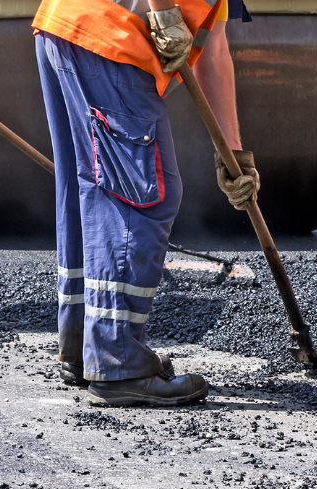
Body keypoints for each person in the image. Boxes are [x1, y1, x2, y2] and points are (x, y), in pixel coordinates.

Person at [34, 0, 257, 407]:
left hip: (67, 25)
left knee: (89, 190)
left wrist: (233, 154)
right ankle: (117, 359)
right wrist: (164, 10)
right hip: (108, 38)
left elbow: (216, 51)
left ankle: (85, 345)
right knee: (141, 196)